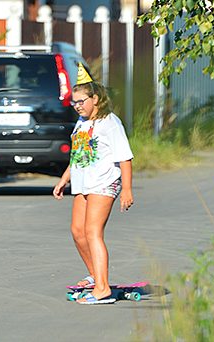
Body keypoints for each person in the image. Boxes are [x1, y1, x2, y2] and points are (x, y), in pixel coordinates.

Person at [53, 63, 134, 304]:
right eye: (73, 103)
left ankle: (102, 288)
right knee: (78, 232)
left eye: (81, 101)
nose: (77, 106)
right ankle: (95, 275)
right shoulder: (80, 124)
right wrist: (64, 179)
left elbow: (125, 157)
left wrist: (127, 189)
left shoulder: (110, 123)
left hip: (104, 182)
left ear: (95, 98)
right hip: (82, 184)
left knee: (92, 232)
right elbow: (77, 155)